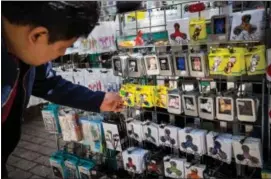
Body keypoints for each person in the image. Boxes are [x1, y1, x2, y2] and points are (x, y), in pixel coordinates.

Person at [1, 2, 124, 178]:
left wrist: (98, 100)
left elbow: (48, 83)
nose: (62, 54)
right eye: (61, 48)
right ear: (37, 36)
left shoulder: (25, 53)